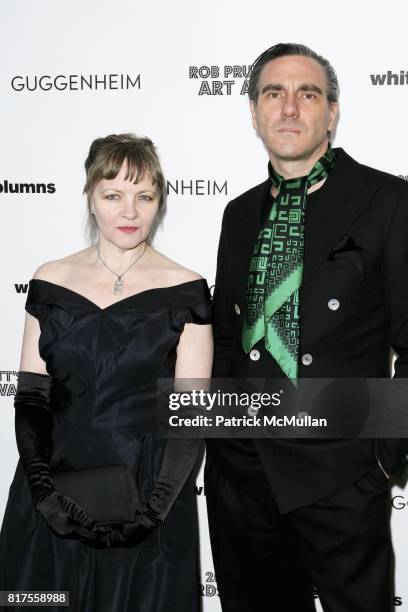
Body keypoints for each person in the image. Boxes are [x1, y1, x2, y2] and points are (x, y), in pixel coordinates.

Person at [205, 43, 408, 612]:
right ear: (254, 113)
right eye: (274, 93)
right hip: (241, 478)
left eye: (307, 94)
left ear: (332, 112)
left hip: (339, 474)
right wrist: (219, 449)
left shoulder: (388, 201)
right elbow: (227, 339)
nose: (289, 108)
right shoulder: (238, 214)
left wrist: (382, 460)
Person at [0, 133, 213, 611]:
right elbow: (32, 396)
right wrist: (42, 490)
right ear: (90, 198)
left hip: (149, 494)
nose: (130, 212)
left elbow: (192, 414)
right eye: (113, 195)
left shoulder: (187, 289)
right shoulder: (50, 280)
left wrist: (155, 509)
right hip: (53, 490)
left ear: (160, 202)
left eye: (144, 196)